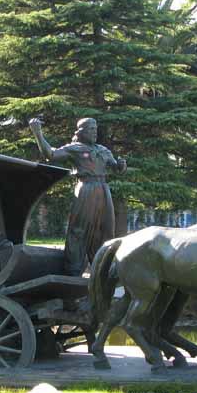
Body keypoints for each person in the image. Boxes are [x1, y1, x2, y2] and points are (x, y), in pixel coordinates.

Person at [29, 117, 126, 275]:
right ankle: (73, 270)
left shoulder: (103, 150)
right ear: (81, 132)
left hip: (103, 190)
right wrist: (38, 133)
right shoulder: (75, 148)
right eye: (90, 129)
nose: (94, 132)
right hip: (85, 189)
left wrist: (121, 165)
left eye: (95, 129)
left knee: (106, 229)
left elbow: (116, 168)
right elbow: (51, 154)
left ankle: (103, 269)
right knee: (79, 230)